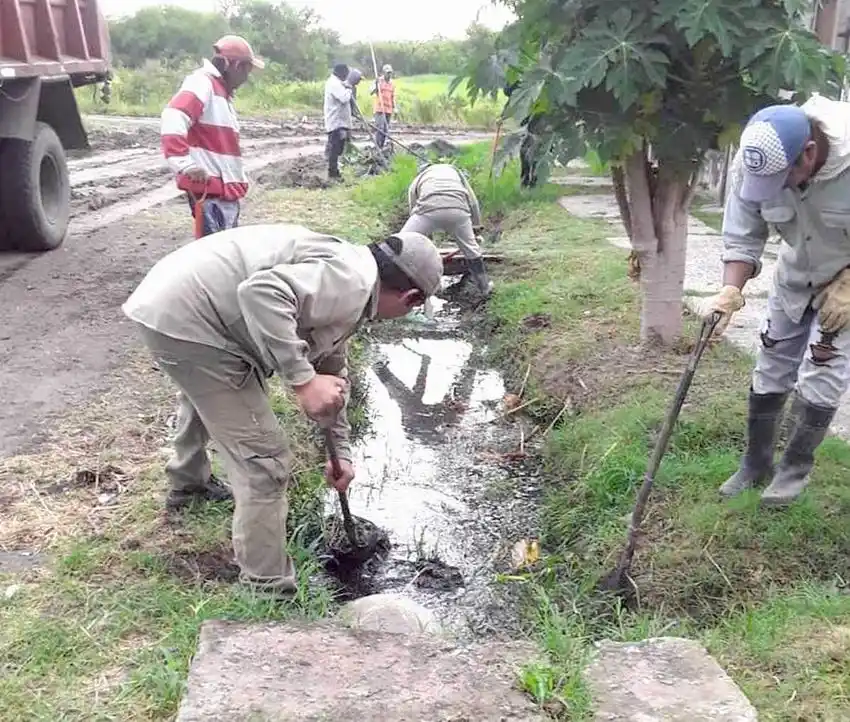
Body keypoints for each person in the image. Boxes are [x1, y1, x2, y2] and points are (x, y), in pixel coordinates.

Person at [122, 224, 444, 595]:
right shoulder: (352, 283)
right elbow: (261, 292)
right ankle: (267, 586)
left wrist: (340, 453)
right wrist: (302, 381)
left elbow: (332, 371)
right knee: (266, 462)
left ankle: (189, 482)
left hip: (177, 303)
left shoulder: (355, 275)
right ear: (412, 297)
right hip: (192, 318)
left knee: (210, 393)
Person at [702, 95, 850, 507]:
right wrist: (730, 291)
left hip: (844, 285)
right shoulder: (756, 160)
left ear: (809, 153)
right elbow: (744, 235)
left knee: (824, 369)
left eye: (784, 178)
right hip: (794, 273)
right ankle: (756, 463)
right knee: (771, 363)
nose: (776, 188)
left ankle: (793, 472)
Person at [161, 35, 263, 236]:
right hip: (210, 190)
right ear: (235, 66)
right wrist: (185, 164)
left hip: (221, 190)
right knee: (216, 254)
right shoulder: (203, 83)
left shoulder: (220, 92)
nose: (246, 78)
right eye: (246, 71)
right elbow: (174, 115)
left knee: (224, 250)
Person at [401, 162, 493, 297]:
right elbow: (473, 201)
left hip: (427, 211)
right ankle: (485, 287)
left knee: (402, 244)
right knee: (471, 250)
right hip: (458, 211)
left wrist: (421, 236)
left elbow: (412, 201)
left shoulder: (420, 177)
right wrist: (476, 227)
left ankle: (399, 288)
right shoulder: (456, 173)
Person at [323, 64, 362, 180]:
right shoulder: (333, 84)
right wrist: (349, 85)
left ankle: (335, 171)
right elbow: (344, 98)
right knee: (335, 148)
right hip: (336, 122)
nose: (346, 77)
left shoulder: (338, 83)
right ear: (341, 73)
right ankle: (333, 173)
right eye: (346, 74)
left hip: (340, 122)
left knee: (339, 147)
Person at [371, 64, 395, 149]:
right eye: (387, 73)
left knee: (385, 129)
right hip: (380, 109)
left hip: (388, 109)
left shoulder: (392, 83)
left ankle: (382, 146)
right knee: (380, 128)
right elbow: (371, 92)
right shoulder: (379, 81)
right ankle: (378, 146)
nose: (389, 75)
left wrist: (394, 107)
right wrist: (376, 84)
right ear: (383, 73)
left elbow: (392, 96)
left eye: (390, 73)